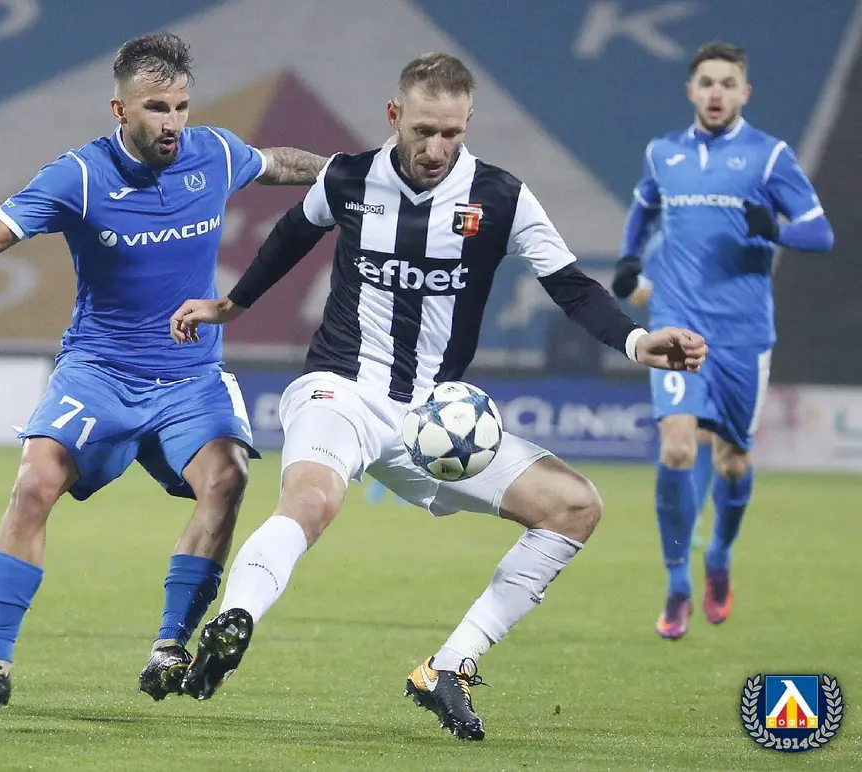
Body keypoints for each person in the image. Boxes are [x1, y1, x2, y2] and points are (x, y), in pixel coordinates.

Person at [169, 53, 706, 741]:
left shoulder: (502, 198)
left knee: (574, 507)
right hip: (342, 390)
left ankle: (449, 667)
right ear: (395, 117)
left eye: (452, 133)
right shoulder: (349, 177)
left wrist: (636, 342)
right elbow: (294, 233)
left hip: (437, 424)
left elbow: (571, 288)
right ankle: (235, 620)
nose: (436, 148)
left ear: (468, 122)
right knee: (312, 500)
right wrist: (231, 305)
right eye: (423, 130)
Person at [0, 32, 328, 715]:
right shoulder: (79, 175)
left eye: (181, 107)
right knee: (34, 483)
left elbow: (280, 163)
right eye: (157, 109)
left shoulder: (214, 152)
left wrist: (352, 170)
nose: (173, 122)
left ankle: (169, 645)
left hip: (190, 376)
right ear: (121, 110)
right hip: (99, 372)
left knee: (228, 479)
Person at [611, 41, 834, 640]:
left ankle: (720, 555)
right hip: (678, 319)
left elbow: (821, 233)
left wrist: (777, 229)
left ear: (744, 94)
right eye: (706, 82)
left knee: (733, 462)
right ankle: (676, 581)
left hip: (743, 333)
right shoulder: (663, 152)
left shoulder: (769, 157)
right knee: (678, 449)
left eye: (727, 83)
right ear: (691, 90)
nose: (716, 92)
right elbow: (643, 207)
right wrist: (630, 259)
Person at [625, 233, 716, 541]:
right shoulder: (665, 242)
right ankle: (682, 523)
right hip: (681, 342)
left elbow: (640, 296)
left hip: (714, 340)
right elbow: (641, 294)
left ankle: (693, 516)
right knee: (679, 438)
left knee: (707, 435)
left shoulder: (671, 240)